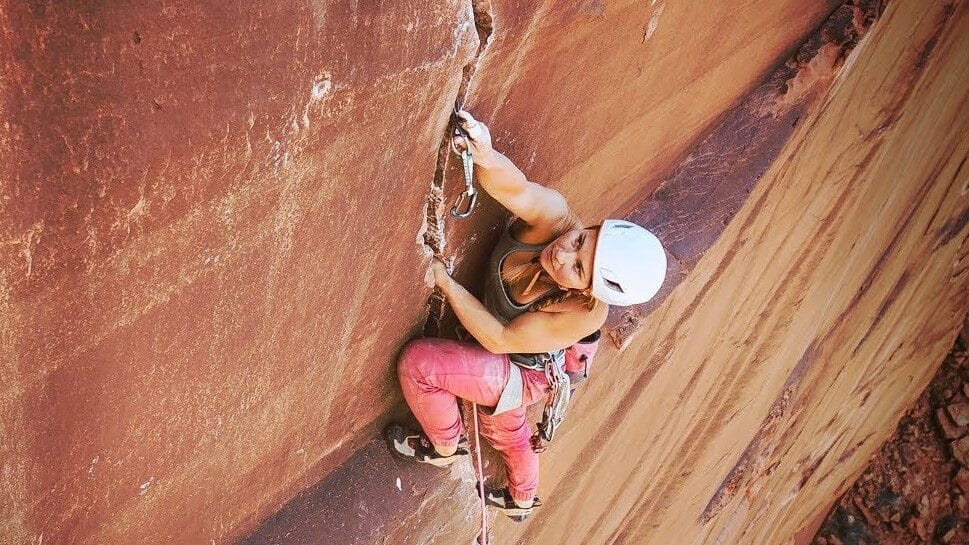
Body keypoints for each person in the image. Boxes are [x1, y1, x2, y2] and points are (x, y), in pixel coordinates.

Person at [385, 110, 667, 521]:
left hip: (524, 370)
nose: (563, 252)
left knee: (426, 370)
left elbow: (500, 339)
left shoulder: (583, 314)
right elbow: (516, 189)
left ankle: (446, 450)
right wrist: (484, 152)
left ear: (586, 290)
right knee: (503, 427)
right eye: (580, 240)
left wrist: (444, 282)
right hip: (514, 350)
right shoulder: (556, 218)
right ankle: (520, 500)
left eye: (577, 267)